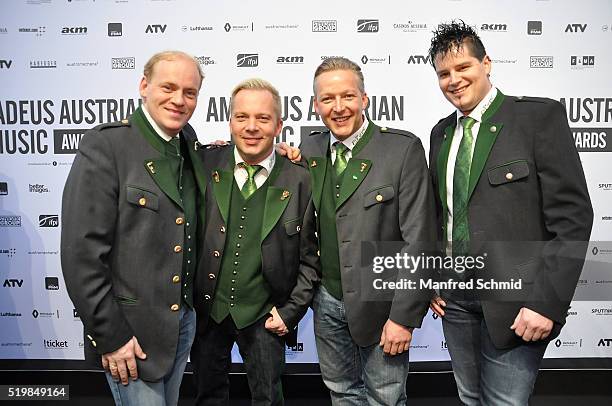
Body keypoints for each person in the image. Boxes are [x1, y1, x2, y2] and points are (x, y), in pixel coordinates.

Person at [427, 21, 593, 405]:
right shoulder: (441, 134)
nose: (453, 80)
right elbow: (443, 214)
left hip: (518, 303)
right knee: (470, 399)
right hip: (455, 299)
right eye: (443, 74)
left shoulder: (537, 118)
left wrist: (545, 303)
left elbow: (573, 219)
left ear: (486, 63)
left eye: (463, 67)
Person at [61, 51, 206, 405]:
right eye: (168, 87)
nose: (178, 99)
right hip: (130, 336)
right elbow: (81, 256)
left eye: (189, 92)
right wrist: (110, 336)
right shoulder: (107, 145)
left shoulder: (188, 141)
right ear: (144, 86)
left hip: (179, 326)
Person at [299, 57, 436, 405]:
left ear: (365, 99)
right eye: (327, 99)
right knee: (341, 393)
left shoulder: (402, 149)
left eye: (347, 96)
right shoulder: (310, 150)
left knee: (386, 398)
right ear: (316, 105)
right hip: (327, 302)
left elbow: (419, 240)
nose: (338, 107)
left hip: (382, 306)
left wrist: (403, 318)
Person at [190, 78, 320, 406]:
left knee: (269, 398)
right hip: (208, 311)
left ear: (279, 126)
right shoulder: (203, 164)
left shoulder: (300, 177)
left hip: (264, 314)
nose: (251, 127)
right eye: (242, 117)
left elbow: (310, 259)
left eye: (263, 119)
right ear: (230, 122)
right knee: (207, 397)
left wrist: (290, 312)